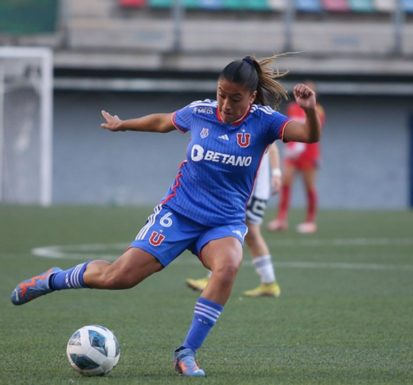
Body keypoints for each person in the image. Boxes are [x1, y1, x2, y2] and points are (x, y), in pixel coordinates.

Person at [9, 55, 322, 377]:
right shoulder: (200, 112)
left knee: (228, 265)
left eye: (235, 98)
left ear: (252, 96)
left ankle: (186, 353)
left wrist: (310, 109)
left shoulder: (265, 121)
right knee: (118, 278)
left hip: (222, 222)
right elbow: (163, 121)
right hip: (178, 214)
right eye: (221, 94)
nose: (225, 104)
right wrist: (123, 124)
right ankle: (52, 279)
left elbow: (310, 135)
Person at [185, 142, 284, 298]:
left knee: (246, 232)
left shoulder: (259, 121)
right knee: (239, 232)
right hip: (240, 189)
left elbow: (272, 146)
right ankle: (268, 283)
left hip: (253, 190)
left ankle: (268, 283)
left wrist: (277, 173)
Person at [267, 82, 326, 234]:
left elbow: (313, 131)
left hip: (309, 155)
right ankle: (281, 219)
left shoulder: (317, 110)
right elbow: (290, 127)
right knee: (286, 183)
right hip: (292, 155)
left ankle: (310, 221)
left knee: (309, 187)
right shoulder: (293, 107)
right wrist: (290, 148)